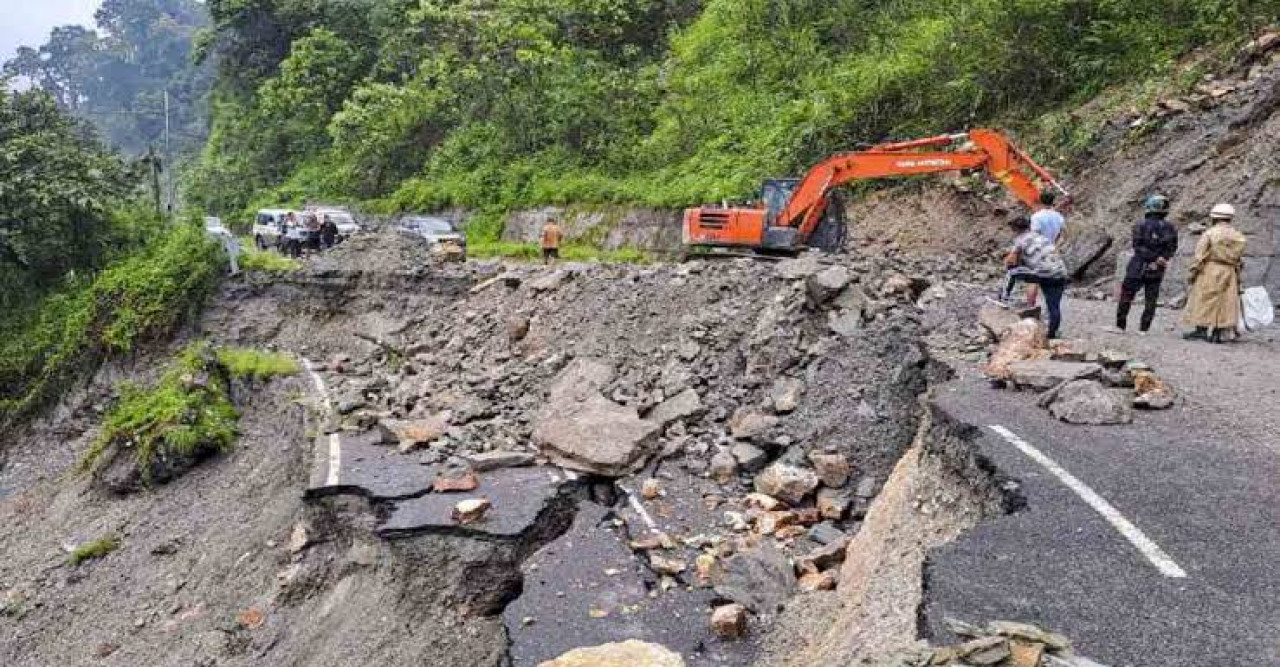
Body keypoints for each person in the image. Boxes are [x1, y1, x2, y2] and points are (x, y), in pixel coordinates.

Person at [1110, 194, 1178, 335]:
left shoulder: (1140, 225)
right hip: (1158, 267)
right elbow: (1172, 248)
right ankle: (1143, 329)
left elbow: (1137, 246)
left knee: (1127, 294)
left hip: (1138, 265)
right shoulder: (1170, 227)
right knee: (1151, 298)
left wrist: (1152, 257)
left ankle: (1120, 326)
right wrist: (1161, 259)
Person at [1183, 203, 1246, 343]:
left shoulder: (1210, 233)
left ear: (1214, 218)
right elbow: (1239, 258)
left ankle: (1202, 330)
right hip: (1230, 270)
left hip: (1210, 269)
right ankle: (1218, 333)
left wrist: (1193, 272)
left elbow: (1199, 255)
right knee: (1225, 301)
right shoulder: (1238, 235)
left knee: (1205, 299)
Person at [1001, 215, 1069, 339]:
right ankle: (1052, 335)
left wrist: (1007, 261)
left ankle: (1003, 298)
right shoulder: (1042, 237)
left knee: (1011, 272)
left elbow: (1011, 261)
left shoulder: (1020, 240)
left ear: (1015, 230)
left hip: (1041, 273)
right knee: (1054, 306)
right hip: (1060, 272)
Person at [1024, 189, 1066, 308]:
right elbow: (1063, 235)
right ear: (1053, 201)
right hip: (1053, 251)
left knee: (1033, 280)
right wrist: (1056, 247)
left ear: (1040, 201)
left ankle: (1030, 307)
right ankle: (1052, 310)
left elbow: (1035, 235)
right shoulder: (1059, 217)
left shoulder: (1036, 217)